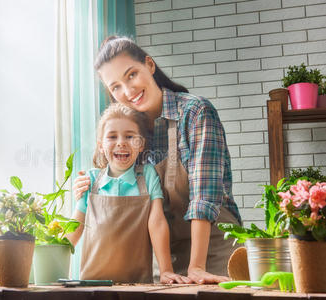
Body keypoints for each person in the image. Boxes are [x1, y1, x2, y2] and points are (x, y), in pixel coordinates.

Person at [72, 36, 242, 284]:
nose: (128, 91)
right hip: (161, 263)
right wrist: (88, 188)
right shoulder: (131, 133)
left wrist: (196, 266)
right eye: (116, 86)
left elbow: (204, 196)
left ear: (149, 65)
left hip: (213, 254)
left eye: (131, 75)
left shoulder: (195, 113)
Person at [66, 103, 189, 284]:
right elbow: (75, 226)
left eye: (130, 136)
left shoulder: (147, 175)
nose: (121, 142)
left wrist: (166, 270)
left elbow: (157, 222)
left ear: (141, 145)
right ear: (101, 146)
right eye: (112, 136)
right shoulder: (90, 180)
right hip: (92, 285)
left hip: (138, 284)